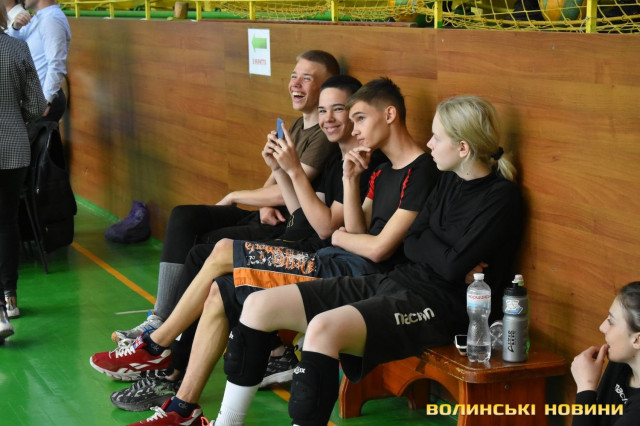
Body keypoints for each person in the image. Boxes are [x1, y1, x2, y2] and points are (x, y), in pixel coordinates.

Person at [91, 77, 440, 425]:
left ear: (389, 114)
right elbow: (354, 231)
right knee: (220, 290)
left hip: (358, 275)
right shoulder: (378, 170)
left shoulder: (422, 169)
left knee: (224, 251)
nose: (353, 126)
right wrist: (350, 183)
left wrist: (341, 236)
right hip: (334, 259)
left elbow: (373, 248)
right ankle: (183, 408)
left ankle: (156, 345)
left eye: (359, 117)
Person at [212, 95, 524, 426]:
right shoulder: (447, 179)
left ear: (462, 148)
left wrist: (438, 251)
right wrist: (444, 253)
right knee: (258, 305)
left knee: (323, 329)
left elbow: (447, 266)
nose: (429, 143)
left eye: (437, 137)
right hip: (399, 280)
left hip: (442, 307)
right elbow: (414, 243)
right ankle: (226, 422)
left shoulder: (501, 198)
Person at [110, 50, 340, 348]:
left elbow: (296, 184)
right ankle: (161, 317)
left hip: (287, 225)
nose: (295, 83)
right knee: (184, 216)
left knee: (206, 246)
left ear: (326, 87)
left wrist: (235, 195)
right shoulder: (296, 126)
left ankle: (174, 336)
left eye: (306, 78)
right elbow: (277, 179)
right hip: (268, 212)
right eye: (294, 76)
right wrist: (264, 200)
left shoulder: (323, 136)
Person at [0, 2, 47, 336]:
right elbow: (36, 105)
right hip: (13, 148)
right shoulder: (17, 48)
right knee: (6, 222)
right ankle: (9, 297)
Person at [571, 281, 640, 426]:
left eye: (611, 321)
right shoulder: (621, 363)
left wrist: (586, 386)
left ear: (637, 339)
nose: (602, 327)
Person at [8, 0, 70, 123]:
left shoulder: (51, 18)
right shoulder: (40, 17)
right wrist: (15, 28)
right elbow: (13, 47)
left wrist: (46, 100)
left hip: (41, 100)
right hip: (35, 99)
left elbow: (56, 63)